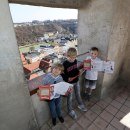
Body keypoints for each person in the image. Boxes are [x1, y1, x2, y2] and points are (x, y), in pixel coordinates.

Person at [61, 47, 87, 120]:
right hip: (69, 84)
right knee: (70, 98)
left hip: (76, 81)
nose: (72, 59)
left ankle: (80, 104)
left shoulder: (75, 61)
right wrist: (67, 78)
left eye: (74, 57)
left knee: (78, 93)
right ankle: (70, 111)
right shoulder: (64, 63)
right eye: (70, 57)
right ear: (67, 56)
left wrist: (79, 72)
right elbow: (62, 74)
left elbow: (75, 69)